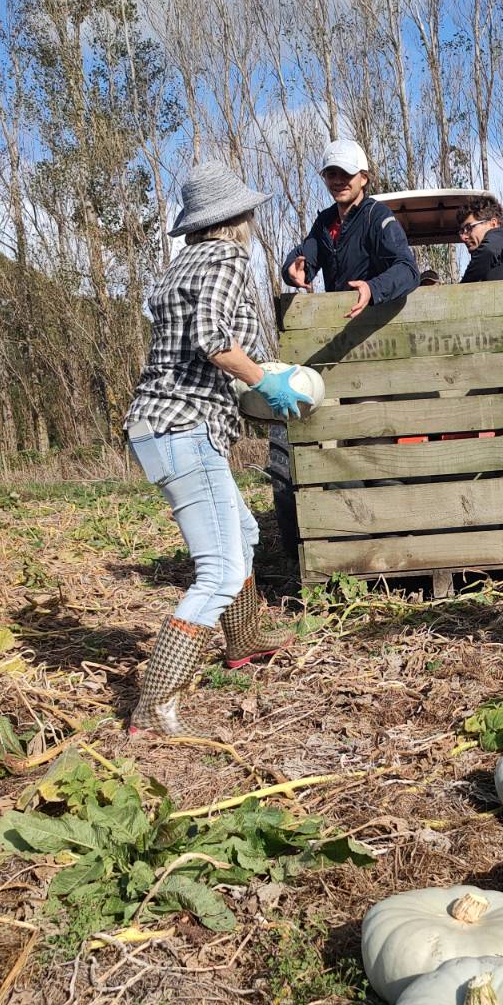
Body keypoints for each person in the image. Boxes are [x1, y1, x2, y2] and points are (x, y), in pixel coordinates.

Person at [124, 161, 310, 738]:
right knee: (221, 569)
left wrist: (259, 370)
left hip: (161, 424)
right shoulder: (228, 259)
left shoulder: (183, 263)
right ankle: (153, 707)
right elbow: (212, 339)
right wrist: (265, 381)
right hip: (182, 429)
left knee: (246, 537)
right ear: (239, 219)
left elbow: (217, 335)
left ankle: (244, 640)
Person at [283, 139, 419, 317]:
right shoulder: (324, 222)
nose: (338, 181)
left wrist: (372, 289)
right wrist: (291, 271)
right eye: (332, 174)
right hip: (340, 327)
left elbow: (408, 270)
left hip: (376, 325)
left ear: (363, 178)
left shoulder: (377, 216)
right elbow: (304, 256)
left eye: (346, 174)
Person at [458, 195, 503, 282]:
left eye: (469, 228)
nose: (463, 237)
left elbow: (488, 251)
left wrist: (462, 287)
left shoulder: (499, 234)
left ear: (493, 224)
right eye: (462, 231)